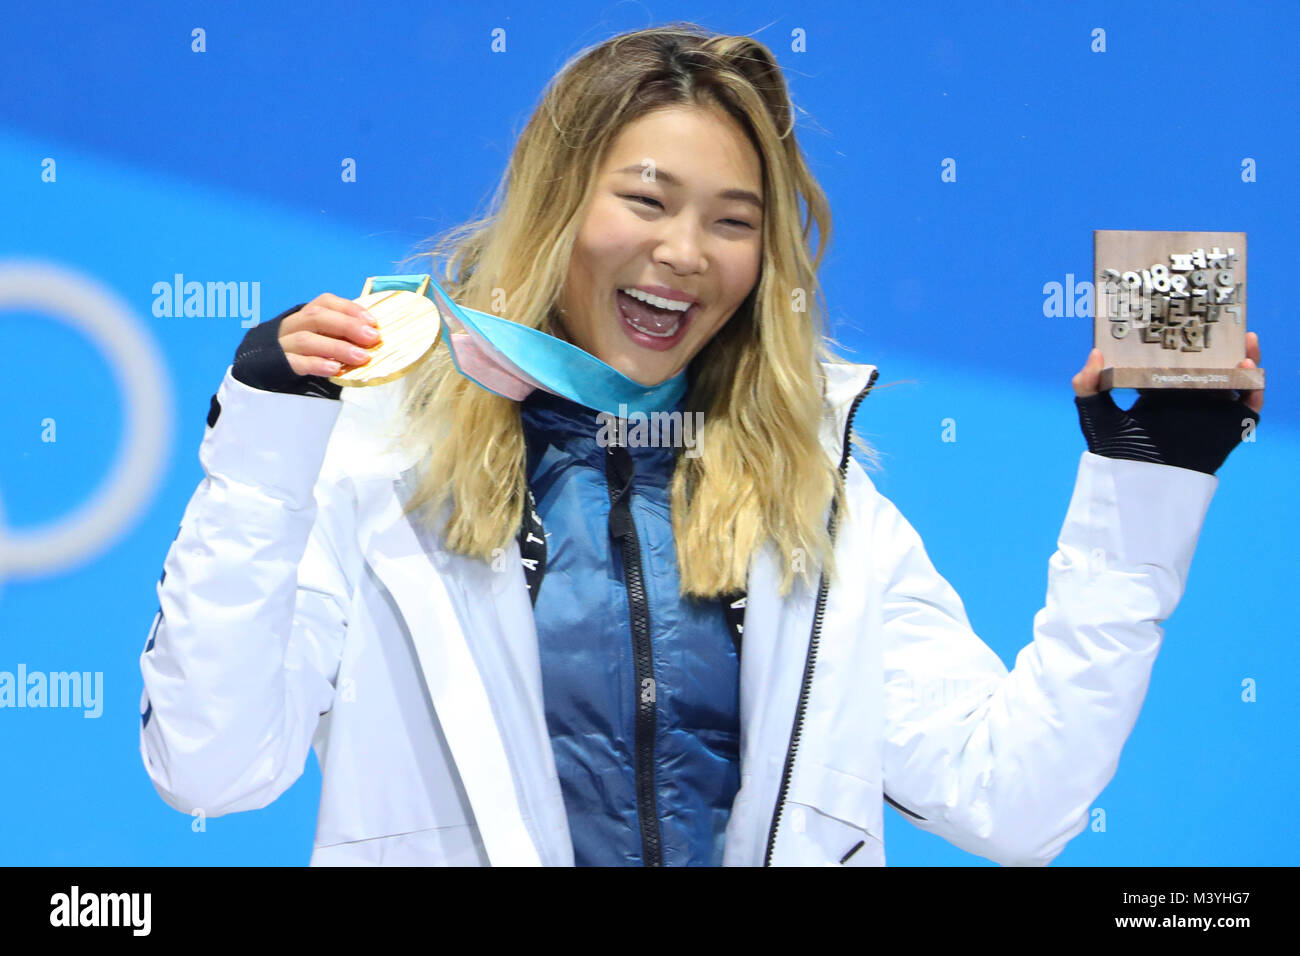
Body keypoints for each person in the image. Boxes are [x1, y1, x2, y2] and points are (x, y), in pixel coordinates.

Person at [137, 23, 1264, 867]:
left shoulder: (815, 503)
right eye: (647, 199)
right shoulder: (380, 469)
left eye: (734, 220)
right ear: (556, 200)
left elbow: (1013, 797)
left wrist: (1145, 482)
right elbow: (212, 764)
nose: (686, 252)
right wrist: (264, 442)